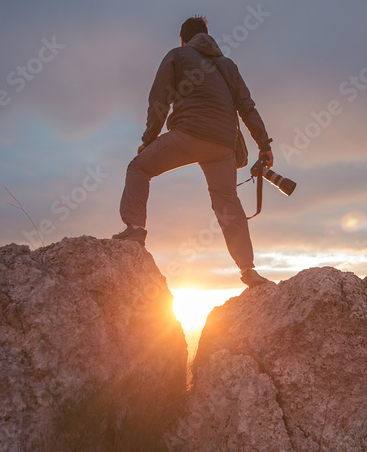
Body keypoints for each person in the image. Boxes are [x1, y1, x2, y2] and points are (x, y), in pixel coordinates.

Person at [113, 15, 274, 287]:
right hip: (224, 145)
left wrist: (149, 139)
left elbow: (159, 100)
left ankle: (135, 230)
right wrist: (264, 146)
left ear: (182, 38)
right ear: (207, 37)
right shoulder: (228, 65)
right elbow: (247, 108)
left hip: (189, 133)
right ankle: (248, 270)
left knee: (138, 167)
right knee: (227, 201)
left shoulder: (178, 55)